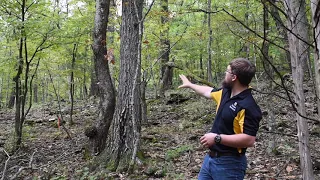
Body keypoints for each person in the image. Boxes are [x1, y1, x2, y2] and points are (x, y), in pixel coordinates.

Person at [178, 58, 262, 180]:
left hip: (230, 164)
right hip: (210, 160)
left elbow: (249, 140)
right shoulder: (226, 92)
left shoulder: (248, 106)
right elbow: (208, 91)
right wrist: (190, 85)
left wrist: (217, 138)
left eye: (227, 71)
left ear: (234, 77)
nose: (224, 74)